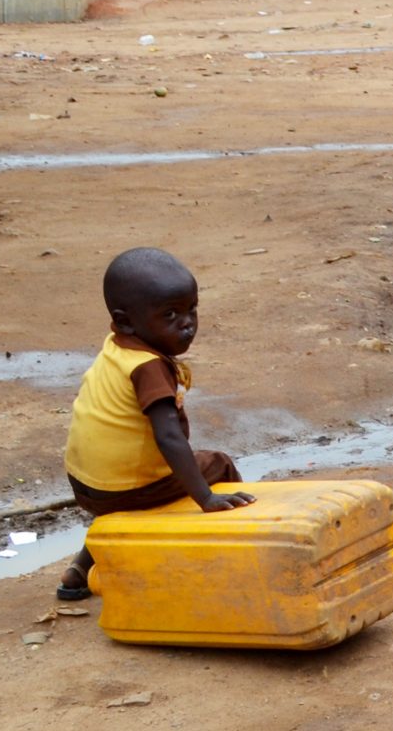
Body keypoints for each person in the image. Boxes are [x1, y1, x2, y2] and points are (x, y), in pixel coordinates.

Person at [54, 248, 253, 601]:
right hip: (126, 488)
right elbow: (169, 437)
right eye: (170, 315)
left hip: (87, 484)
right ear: (127, 321)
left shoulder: (117, 347)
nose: (187, 323)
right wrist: (204, 497)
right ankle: (239, 551)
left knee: (117, 510)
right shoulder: (148, 367)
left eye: (192, 309)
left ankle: (79, 570)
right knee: (218, 465)